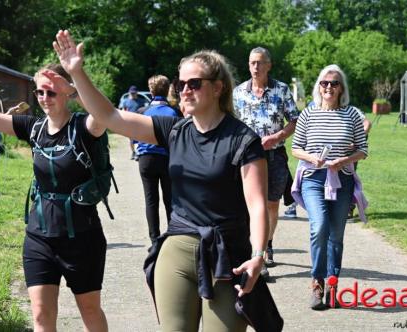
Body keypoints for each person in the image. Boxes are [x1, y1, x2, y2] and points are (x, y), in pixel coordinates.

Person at [53, 29, 274, 331]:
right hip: (178, 251)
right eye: (180, 83)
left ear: (218, 87)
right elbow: (110, 117)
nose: (184, 90)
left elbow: (258, 205)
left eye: (194, 83)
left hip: (227, 256)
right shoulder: (174, 130)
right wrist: (77, 72)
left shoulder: (243, 141)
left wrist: (258, 255)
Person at [0, 63, 109, 331]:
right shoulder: (33, 128)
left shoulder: (85, 127)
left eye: (52, 92)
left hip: (81, 238)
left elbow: (106, 114)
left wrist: (74, 84)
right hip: (39, 237)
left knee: (90, 310)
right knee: (40, 315)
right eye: (39, 92)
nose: (45, 99)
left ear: (66, 93)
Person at [291, 64, 368, 310]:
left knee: (336, 234)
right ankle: (317, 281)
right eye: (324, 83)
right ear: (318, 86)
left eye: (334, 83)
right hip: (314, 178)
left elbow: (363, 150)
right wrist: (313, 159)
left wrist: (343, 161)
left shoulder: (352, 114)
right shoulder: (308, 114)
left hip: (342, 179)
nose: (328, 87)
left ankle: (332, 283)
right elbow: (295, 148)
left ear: (341, 88)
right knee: (320, 225)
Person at [233, 47, 298, 277]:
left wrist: (277, 137)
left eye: (260, 63)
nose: (255, 67)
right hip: (247, 157)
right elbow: (230, 122)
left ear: (269, 65)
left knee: (271, 204)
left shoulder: (281, 90)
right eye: (252, 63)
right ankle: (255, 252)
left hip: (275, 155)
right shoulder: (239, 92)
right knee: (249, 205)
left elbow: (295, 120)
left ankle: (267, 243)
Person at [135, 75, 178, 244]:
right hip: (166, 159)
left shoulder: (142, 112)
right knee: (169, 199)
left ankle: (154, 239)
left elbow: (134, 137)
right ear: (168, 89)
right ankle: (172, 236)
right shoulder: (174, 112)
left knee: (151, 200)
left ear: (150, 90)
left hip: (146, 159)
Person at [121, 85, 144, 160]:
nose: (133, 94)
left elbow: (144, 110)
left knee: (139, 138)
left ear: (137, 93)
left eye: (134, 93)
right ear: (129, 93)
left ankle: (138, 153)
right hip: (129, 123)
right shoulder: (126, 101)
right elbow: (123, 111)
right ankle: (133, 152)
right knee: (131, 139)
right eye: (131, 93)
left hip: (139, 122)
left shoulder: (141, 101)